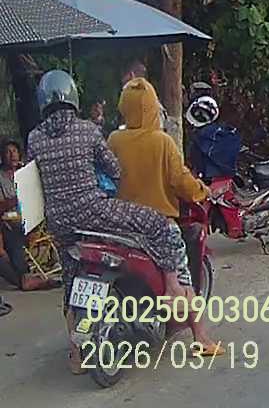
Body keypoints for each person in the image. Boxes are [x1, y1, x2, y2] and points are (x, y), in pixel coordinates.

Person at [25, 70, 191, 374]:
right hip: (95, 212)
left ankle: (77, 356)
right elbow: (114, 170)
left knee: (71, 283)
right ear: (73, 98)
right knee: (157, 223)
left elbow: (32, 179)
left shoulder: (34, 138)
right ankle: (172, 285)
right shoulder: (88, 130)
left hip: (60, 223)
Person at [109, 77, 222, 355]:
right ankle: (201, 339)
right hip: (159, 227)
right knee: (183, 280)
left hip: (121, 226)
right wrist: (202, 190)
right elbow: (180, 181)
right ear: (152, 108)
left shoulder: (114, 140)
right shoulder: (162, 142)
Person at [0, 139, 58, 291]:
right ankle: (24, 276)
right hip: (11, 222)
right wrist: (17, 197)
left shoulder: (26, 173)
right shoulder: (1, 177)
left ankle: (25, 277)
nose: (12, 155)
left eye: (14, 151)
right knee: (12, 235)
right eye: (8, 152)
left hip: (35, 219)